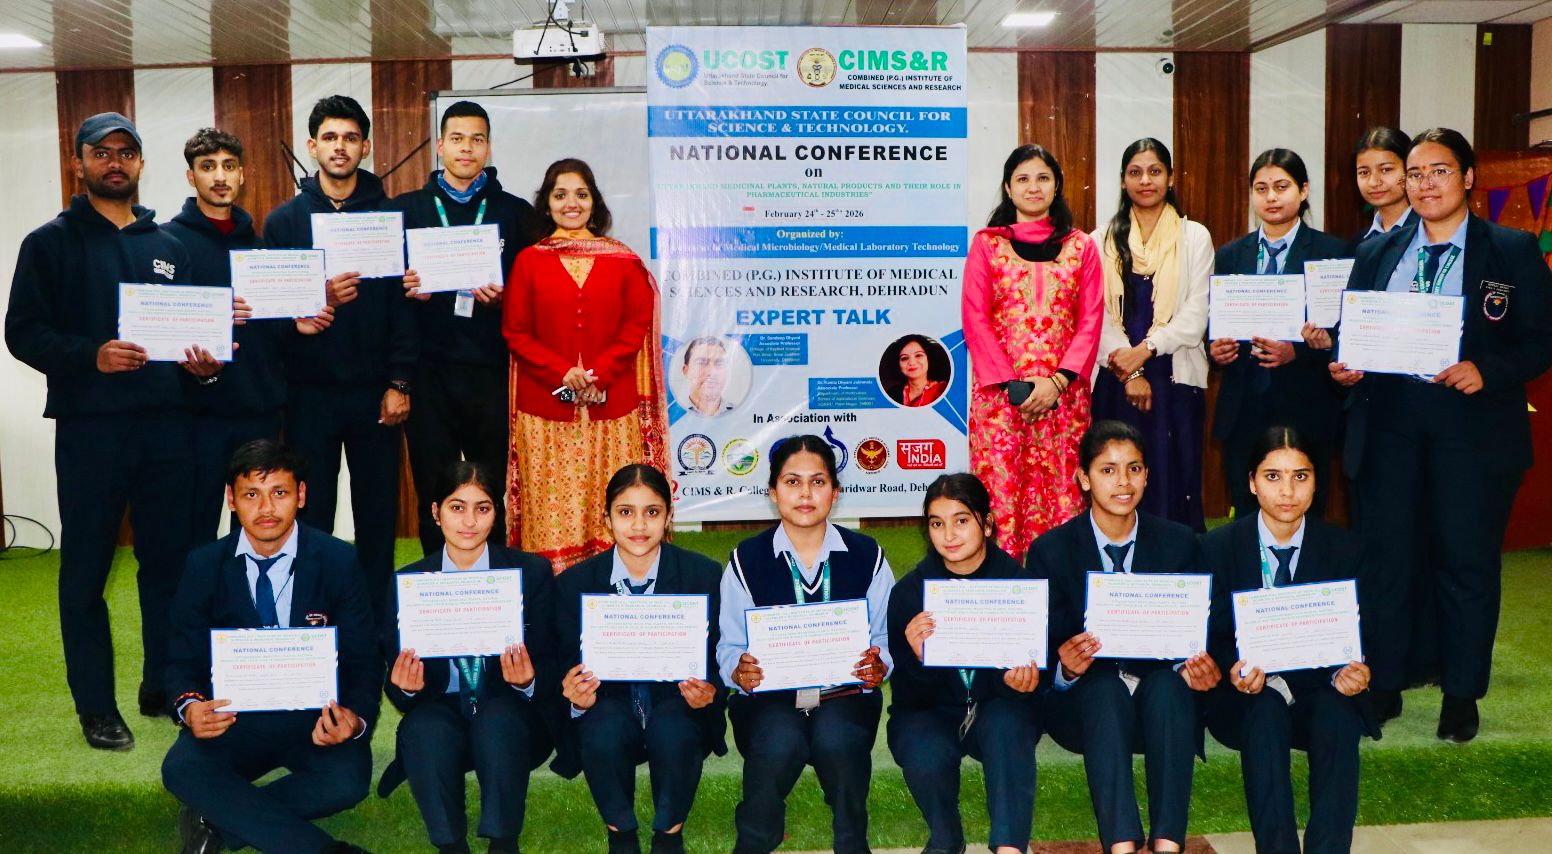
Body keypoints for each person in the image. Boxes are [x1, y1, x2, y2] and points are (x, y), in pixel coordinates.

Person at [5, 112, 222, 749]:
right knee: (86, 571)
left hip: (167, 429)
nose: (115, 162)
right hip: (91, 431)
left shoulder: (172, 245)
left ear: (141, 162)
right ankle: (96, 707)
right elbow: (22, 332)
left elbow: (195, 336)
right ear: (78, 163)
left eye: (126, 152)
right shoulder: (49, 243)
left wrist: (204, 367)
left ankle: (163, 685)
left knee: (169, 568)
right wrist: (89, 356)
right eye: (101, 152)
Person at [1328, 128, 1552, 741]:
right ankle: (1384, 683)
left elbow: (1541, 339)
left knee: (1465, 561)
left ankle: (1461, 692)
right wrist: (1346, 364)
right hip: (1390, 424)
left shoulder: (1510, 250)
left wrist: (1489, 370)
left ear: (1469, 178)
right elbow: (1355, 329)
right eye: (1416, 174)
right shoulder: (1379, 252)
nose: (1426, 184)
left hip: (1471, 429)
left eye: (1440, 171)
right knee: (1387, 560)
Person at [161, 440, 379, 854]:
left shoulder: (338, 561)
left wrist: (354, 719)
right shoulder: (203, 565)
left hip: (314, 719)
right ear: (231, 499)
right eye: (251, 495)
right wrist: (190, 708)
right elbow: (179, 659)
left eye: (279, 492)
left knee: (347, 781)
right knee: (180, 769)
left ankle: (215, 821)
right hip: (233, 719)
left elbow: (364, 659)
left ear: (301, 495)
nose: (266, 508)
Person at [1029, 420, 1219, 854]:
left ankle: (1168, 842)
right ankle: (1122, 844)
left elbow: (1197, 633)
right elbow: (1042, 650)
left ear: (1147, 475)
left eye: (1134, 469)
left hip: (1160, 706)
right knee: (1103, 689)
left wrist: (1198, 668)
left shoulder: (1180, 543)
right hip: (1087, 709)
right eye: (1108, 470)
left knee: (1169, 687)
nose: (1123, 482)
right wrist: (1065, 670)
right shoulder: (1051, 551)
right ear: (1083, 478)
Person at [263, 94, 415, 619]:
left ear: (365, 147)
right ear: (312, 147)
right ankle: (315, 620)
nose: (340, 147)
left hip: (375, 395)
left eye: (350, 137)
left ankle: (373, 628)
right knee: (312, 517)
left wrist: (400, 382)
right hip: (308, 397)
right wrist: (303, 308)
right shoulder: (284, 222)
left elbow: (403, 310)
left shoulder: (390, 218)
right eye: (329, 137)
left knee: (378, 517)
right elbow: (267, 314)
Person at [1202, 426, 1378, 854]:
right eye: (1273, 476)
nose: (1287, 491)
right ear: (1252, 482)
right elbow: (1210, 634)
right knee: (1264, 711)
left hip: (1318, 691)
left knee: (1339, 714)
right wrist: (1232, 668)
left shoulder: (1345, 549)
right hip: (1246, 698)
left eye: (1300, 476)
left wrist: (1355, 670)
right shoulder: (1217, 547)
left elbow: (1366, 633)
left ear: (1316, 482)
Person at [717, 435, 893, 854]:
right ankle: (754, 841)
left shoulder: (868, 555)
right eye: (792, 482)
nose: (805, 494)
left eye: (818, 481)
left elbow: (884, 639)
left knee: (839, 741)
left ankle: (852, 842)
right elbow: (728, 646)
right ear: (772, 492)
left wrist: (880, 664)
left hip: (845, 696)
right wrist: (738, 671)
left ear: (835, 491)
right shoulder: (745, 560)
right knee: (779, 743)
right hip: (769, 700)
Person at [162, 127, 334, 543]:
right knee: (195, 531)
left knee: (257, 531)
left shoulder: (260, 249)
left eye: (229, 166)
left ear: (242, 174)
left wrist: (296, 324)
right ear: (191, 177)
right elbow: (162, 327)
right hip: (195, 414)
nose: (220, 176)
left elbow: (272, 332)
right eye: (208, 167)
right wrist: (209, 320)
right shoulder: (168, 244)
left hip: (258, 410)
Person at [380, 461, 557, 854]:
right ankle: (450, 844)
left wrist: (528, 681)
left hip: (511, 715)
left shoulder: (532, 574)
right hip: (441, 709)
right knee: (424, 729)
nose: (470, 521)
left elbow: (553, 663)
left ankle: (503, 842)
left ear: (497, 513)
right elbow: (397, 684)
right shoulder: (408, 584)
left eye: (483, 508)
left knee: (497, 719)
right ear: (435, 512)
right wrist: (405, 688)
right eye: (457, 507)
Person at [501, 158, 669, 572]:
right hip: (544, 412)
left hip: (612, 411)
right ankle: (552, 591)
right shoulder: (528, 261)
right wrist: (563, 373)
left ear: (594, 202)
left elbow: (636, 325)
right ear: (547, 204)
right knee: (550, 508)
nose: (571, 203)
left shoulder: (622, 260)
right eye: (560, 195)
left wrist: (599, 375)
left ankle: (612, 587)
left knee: (610, 501)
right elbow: (516, 332)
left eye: (581, 194)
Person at [554, 464, 726, 854]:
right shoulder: (574, 584)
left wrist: (709, 691)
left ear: (668, 516)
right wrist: (574, 695)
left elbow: (717, 656)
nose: (639, 525)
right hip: (608, 706)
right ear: (607, 518)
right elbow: (564, 662)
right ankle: (621, 833)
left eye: (651, 512)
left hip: (676, 706)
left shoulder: (703, 576)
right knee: (604, 728)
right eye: (625, 512)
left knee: (674, 727)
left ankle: (669, 834)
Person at [397, 100, 541, 557]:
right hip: (428, 374)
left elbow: (535, 294)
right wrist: (406, 289)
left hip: (490, 372)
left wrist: (505, 299)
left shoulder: (516, 213)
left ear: (488, 148)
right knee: (434, 488)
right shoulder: (406, 210)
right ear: (440, 146)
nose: (467, 148)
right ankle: (433, 582)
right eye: (457, 138)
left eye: (477, 139)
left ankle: (493, 583)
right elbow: (382, 294)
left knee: (489, 487)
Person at [962, 143, 1103, 558]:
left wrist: (1056, 382)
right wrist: (1015, 387)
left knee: (1064, 492)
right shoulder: (987, 245)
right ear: (1008, 188)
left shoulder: (1081, 247)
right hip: (1001, 401)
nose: (1033, 187)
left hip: (1064, 400)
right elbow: (975, 318)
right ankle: (1003, 587)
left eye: (1043, 178)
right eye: (1022, 179)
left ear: (1056, 185)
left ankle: (1060, 585)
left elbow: (1090, 319)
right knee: (1001, 494)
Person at [887, 473, 1040, 854]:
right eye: (937, 524)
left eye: (961, 520)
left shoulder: (1021, 588)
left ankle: (1009, 846)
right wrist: (920, 660)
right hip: (932, 709)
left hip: (998, 706)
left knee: (1008, 726)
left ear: (986, 523)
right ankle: (946, 837)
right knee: (922, 748)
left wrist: (1020, 683)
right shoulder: (909, 593)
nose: (949, 535)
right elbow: (907, 698)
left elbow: (1043, 674)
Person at [1208, 149, 1349, 519]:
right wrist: (1216, 350)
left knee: (1305, 514)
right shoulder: (1230, 254)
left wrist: (1297, 351)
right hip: (1243, 408)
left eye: (1281, 187)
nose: (1271, 197)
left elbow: (1343, 332)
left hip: (1307, 406)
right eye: (1261, 188)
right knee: (1246, 511)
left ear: (1303, 190)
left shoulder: (1333, 252)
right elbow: (1215, 323)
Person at [1090, 138, 1213, 531]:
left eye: (1155, 171)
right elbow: (1096, 316)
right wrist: (1131, 372)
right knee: (1116, 478)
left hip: (1175, 379)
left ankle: (1176, 566)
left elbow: (1196, 315)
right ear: (1122, 180)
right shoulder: (1099, 240)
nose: (1145, 180)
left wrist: (1144, 352)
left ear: (1170, 178)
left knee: (1175, 480)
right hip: (1116, 380)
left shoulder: (1194, 237)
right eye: (1135, 172)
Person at [1351, 127, 1413, 245]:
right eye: (1364, 172)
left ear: (1410, 169)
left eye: (1386, 170)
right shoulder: (1358, 243)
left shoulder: (1428, 231)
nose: (1373, 182)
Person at [883, 334, 950, 407]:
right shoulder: (892, 394)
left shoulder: (943, 390)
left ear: (929, 359)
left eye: (918, 355)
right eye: (904, 358)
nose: (912, 362)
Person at [678, 336, 737, 416]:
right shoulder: (672, 414)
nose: (712, 372)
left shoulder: (741, 413)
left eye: (719, 363)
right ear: (686, 371)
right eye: (701, 363)